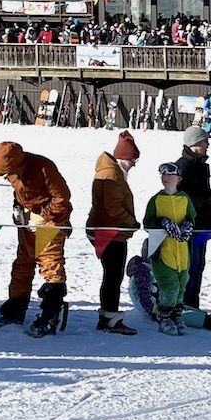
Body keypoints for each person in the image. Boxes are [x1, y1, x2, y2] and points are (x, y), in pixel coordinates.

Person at [0, 140, 71, 336]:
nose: (6, 178)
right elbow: (19, 192)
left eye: (6, 174)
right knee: (22, 266)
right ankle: (15, 310)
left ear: (17, 165)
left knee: (52, 267)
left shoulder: (44, 168)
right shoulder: (13, 172)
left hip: (51, 224)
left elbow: (62, 198)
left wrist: (43, 214)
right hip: (28, 223)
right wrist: (18, 207)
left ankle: (50, 315)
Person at [86, 130, 142, 335]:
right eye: (132, 160)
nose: (134, 164)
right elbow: (114, 209)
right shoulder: (111, 175)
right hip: (110, 232)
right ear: (122, 158)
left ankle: (108, 316)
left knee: (111, 276)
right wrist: (131, 223)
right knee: (113, 276)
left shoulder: (112, 171)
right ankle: (110, 319)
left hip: (108, 230)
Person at [141, 162, 207, 334]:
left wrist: (188, 225)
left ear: (179, 178)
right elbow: (147, 223)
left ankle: (176, 317)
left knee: (181, 287)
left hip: (183, 253)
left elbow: (192, 216)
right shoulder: (156, 200)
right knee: (169, 287)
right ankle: (164, 318)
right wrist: (161, 223)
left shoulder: (184, 199)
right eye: (163, 175)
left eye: (170, 175)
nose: (166, 178)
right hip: (163, 252)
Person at [175, 126, 211, 313]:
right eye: (204, 141)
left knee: (199, 266)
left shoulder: (201, 164)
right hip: (190, 225)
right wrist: (202, 202)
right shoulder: (183, 165)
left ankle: (193, 304)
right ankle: (186, 305)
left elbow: (201, 191)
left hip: (203, 223)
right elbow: (179, 194)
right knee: (191, 267)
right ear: (195, 143)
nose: (207, 144)